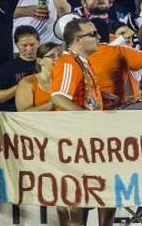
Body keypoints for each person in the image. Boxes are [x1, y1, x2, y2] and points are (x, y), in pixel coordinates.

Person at [50, 18, 108, 226]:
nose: (98, 37)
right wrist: (86, 117)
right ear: (77, 40)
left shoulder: (83, 62)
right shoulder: (68, 62)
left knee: (98, 191)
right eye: (93, 34)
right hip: (74, 138)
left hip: (89, 137)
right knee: (75, 194)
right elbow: (58, 97)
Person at [0, 26, 40, 112]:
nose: (29, 49)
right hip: (16, 115)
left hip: (42, 112)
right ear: (17, 45)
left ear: (38, 43)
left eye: (32, 44)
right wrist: (22, 85)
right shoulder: (8, 68)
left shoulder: (46, 63)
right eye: (24, 45)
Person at [15, 42, 62, 112]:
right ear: (40, 61)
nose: (58, 58)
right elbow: (24, 113)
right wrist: (52, 104)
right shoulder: (27, 82)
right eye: (52, 56)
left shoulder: (67, 80)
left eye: (60, 55)